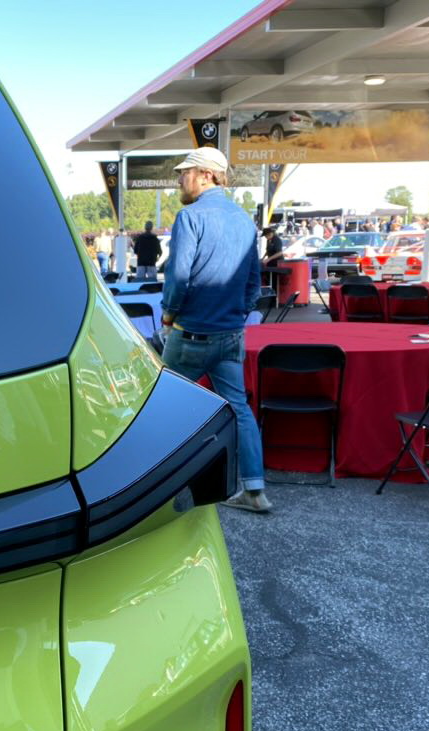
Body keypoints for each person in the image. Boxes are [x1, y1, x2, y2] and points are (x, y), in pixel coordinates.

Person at [160, 146, 271, 514]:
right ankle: (254, 490)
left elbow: (178, 276)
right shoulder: (243, 220)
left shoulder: (190, 217)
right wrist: (237, 313)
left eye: (184, 172)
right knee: (238, 407)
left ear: (205, 174)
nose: (180, 179)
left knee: (167, 407)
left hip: (191, 333)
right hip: (229, 334)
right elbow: (255, 281)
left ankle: (166, 491)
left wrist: (168, 314)